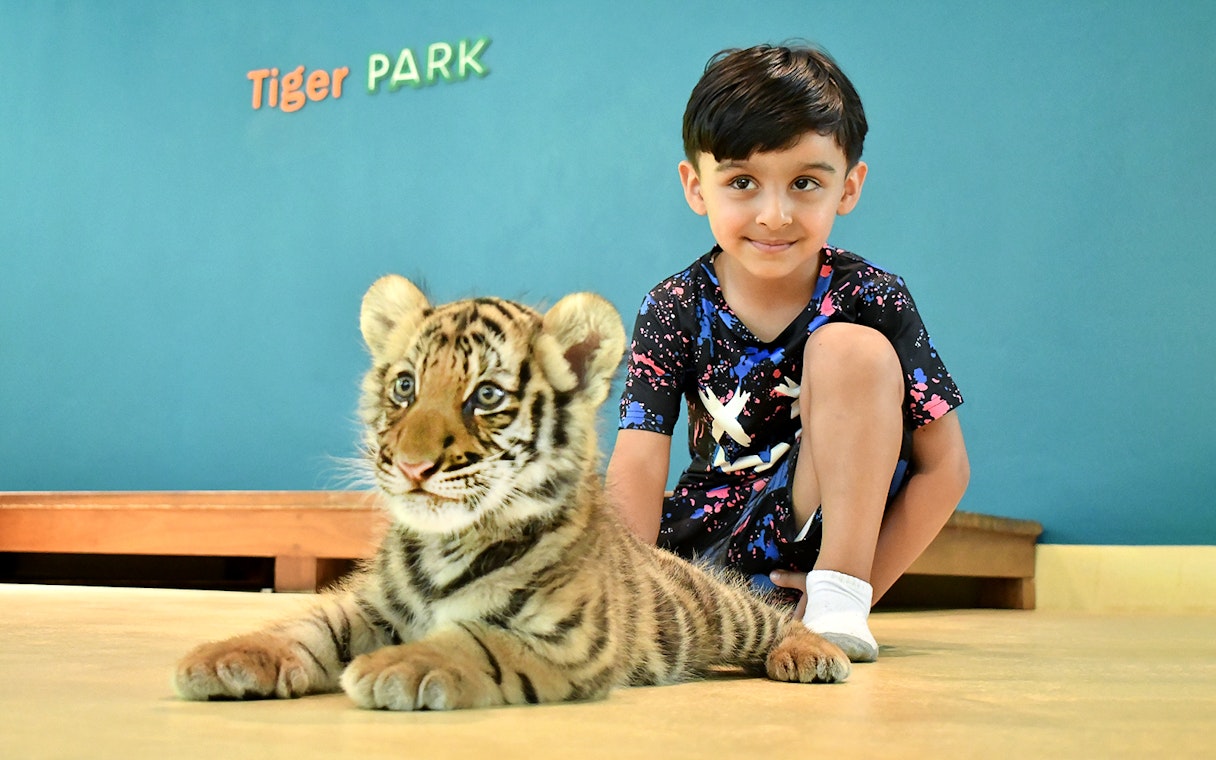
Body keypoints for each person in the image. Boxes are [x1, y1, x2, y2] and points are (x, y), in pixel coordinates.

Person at [605, 43, 970, 663]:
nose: (774, 215)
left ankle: (837, 601)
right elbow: (638, 463)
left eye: (805, 183)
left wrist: (862, 587)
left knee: (851, 351)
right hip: (705, 557)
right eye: (742, 182)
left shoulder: (871, 295)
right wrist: (627, 599)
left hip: (818, 548)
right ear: (696, 186)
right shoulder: (673, 307)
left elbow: (944, 467)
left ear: (848, 187)